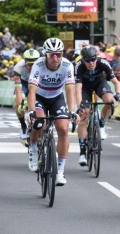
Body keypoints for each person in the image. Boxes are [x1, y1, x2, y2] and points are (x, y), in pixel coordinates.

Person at [27, 38, 79, 186]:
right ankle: (33, 147)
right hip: (39, 97)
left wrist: (72, 110)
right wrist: (31, 111)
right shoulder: (38, 65)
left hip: (57, 98)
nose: (55, 57)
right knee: (39, 122)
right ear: (45, 55)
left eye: (59, 54)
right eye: (52, 55)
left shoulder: (67, 65)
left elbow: (70, 90)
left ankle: (60, 171)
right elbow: (32, 91)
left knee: (63, 129)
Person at [74, 45, 120, 166]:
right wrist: (80, 105)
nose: (91, 63)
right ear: (83, 60)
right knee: (84, 114)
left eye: (93, 59)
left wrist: (118, 94)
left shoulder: (103, 62)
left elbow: (116, 82)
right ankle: (83, 152)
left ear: (96, 58)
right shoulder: (78, 66)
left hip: (99, 83)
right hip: (85, 87)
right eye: (88, 60)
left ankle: (101, 123)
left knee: (109, 101)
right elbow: (78, 89)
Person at [13, 48, 40, 140]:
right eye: (29, 64)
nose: (32, 67)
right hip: (24, 84)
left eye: (34, 64)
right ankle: (23, 126)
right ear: (25, 62)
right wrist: (21, 103)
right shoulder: (18, 67)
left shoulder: (43, 65)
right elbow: (18, 86)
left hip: (37, 83)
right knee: (18, 104)